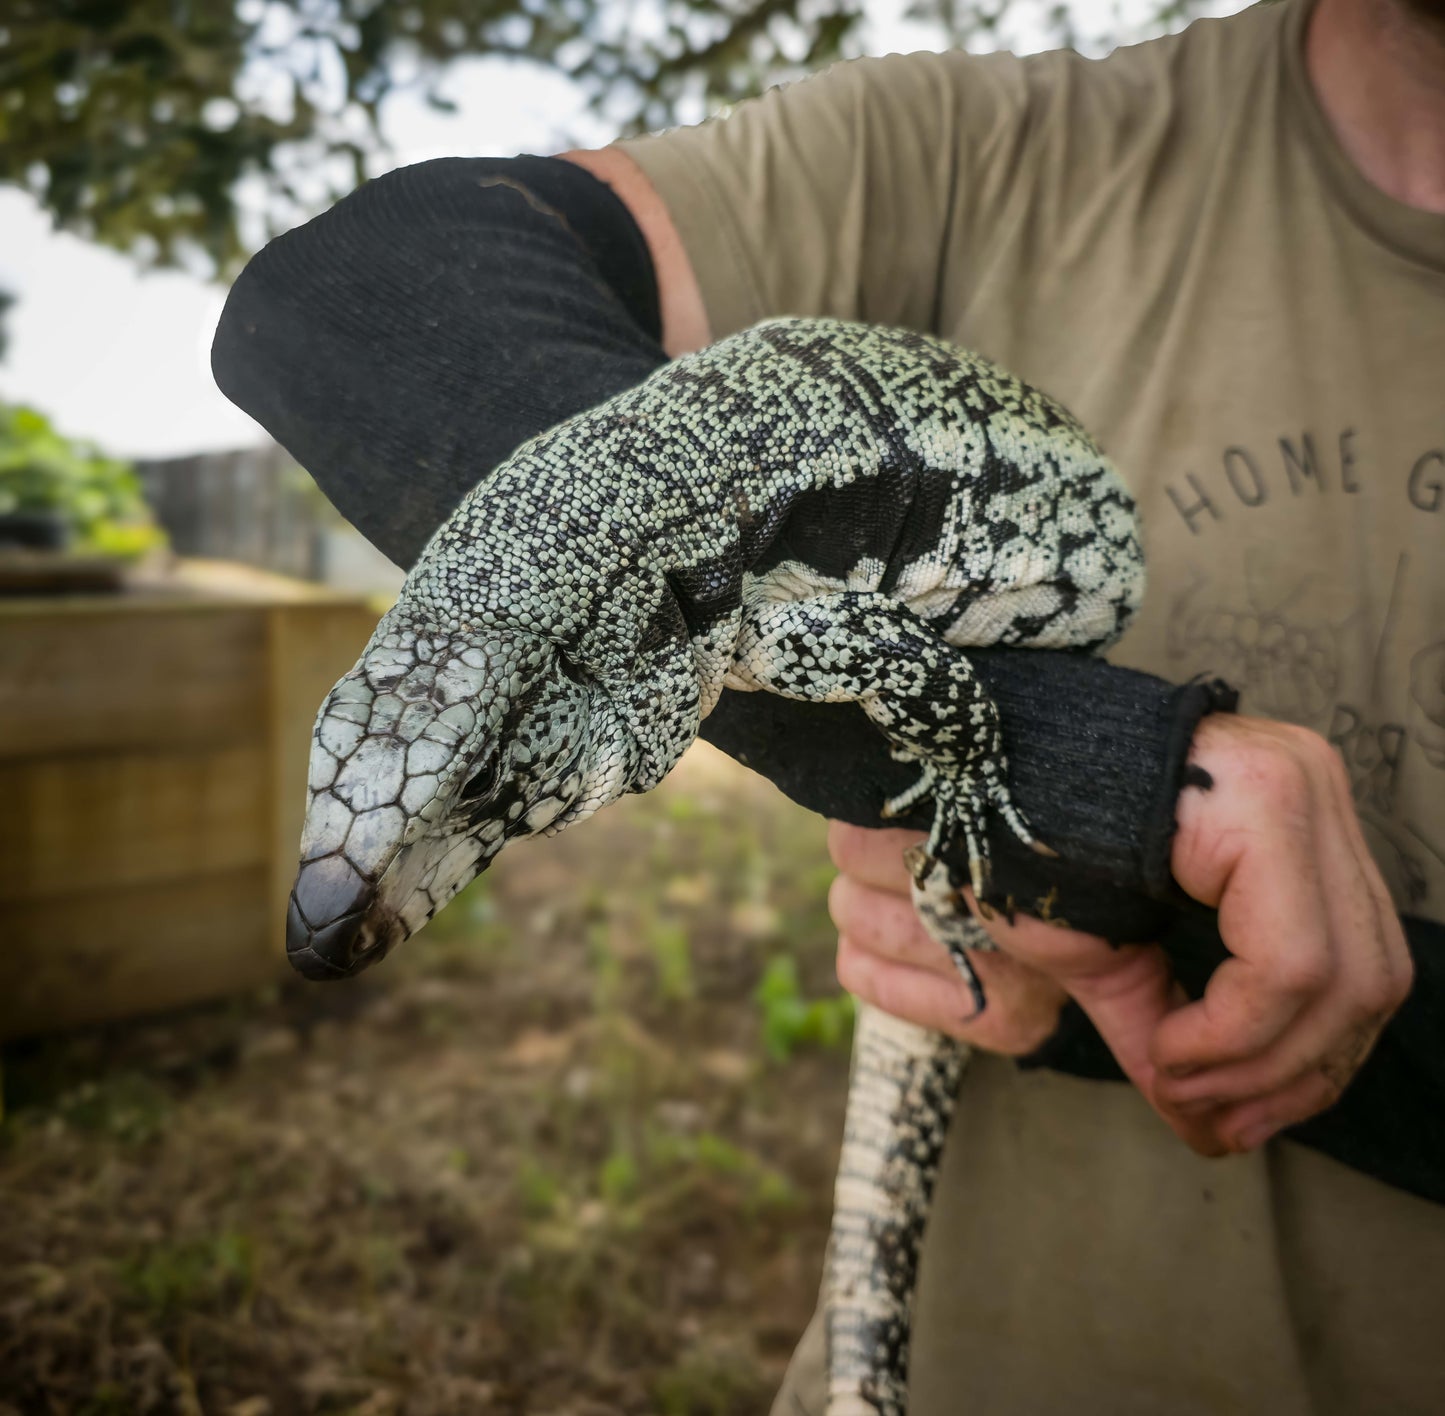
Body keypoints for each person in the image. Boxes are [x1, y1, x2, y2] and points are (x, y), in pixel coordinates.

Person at [210, 0, 1444, 1407]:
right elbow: (337, 300)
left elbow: (836, 654)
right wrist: (1086, 809)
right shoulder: (997, 138)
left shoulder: (755, 615)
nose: (380, 878)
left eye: (476, 791)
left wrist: (1104, 844)